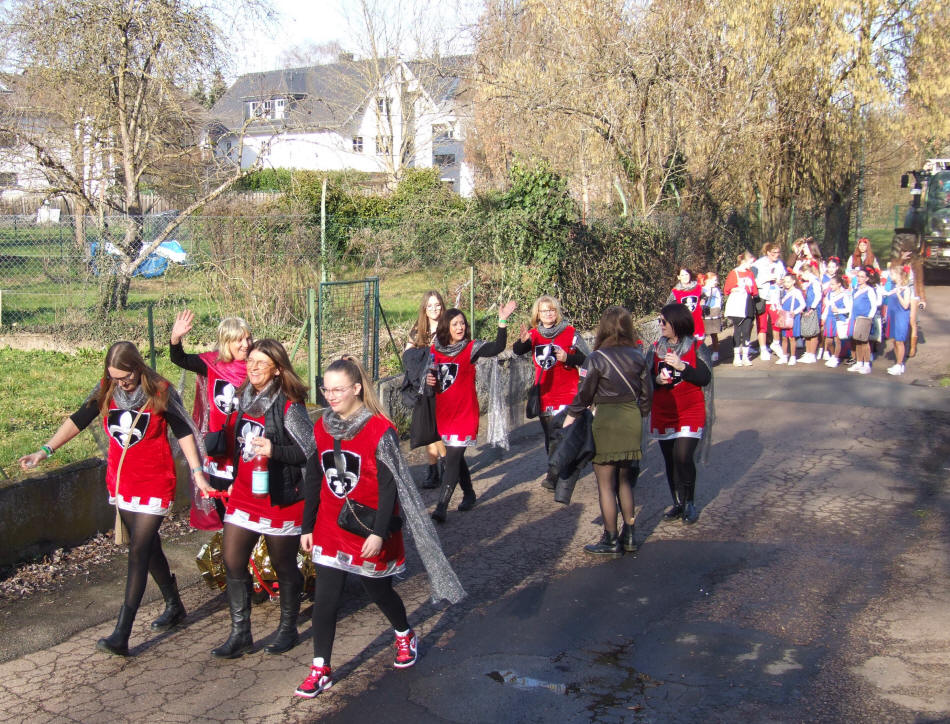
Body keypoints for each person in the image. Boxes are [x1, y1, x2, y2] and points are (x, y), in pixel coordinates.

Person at [19, 341, 208, 656]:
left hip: (155, 484)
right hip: (123, 484)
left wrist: (198, 471)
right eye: (116, 378)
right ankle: (174, 604)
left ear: (137, 367)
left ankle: (122, 632)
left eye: (126, 377)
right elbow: (80, 418)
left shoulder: (160, 390)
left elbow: (184, 431)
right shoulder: (108, 388)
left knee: (138, 550)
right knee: (148, 549)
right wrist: (45, 451)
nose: (122, 383)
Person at [296, 356, 465, 698]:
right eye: (326, 389)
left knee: (379, 591)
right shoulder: (321, 426)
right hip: (329, 524)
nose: (330, 395)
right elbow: (314, 478)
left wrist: (378, 532)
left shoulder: (379, 429)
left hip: (369, 526)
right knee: (326, 600)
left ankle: (404, 634)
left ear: (357, 388)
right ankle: (320, 668)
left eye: (338, 389)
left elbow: (391, 487)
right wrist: (307, 525)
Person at [212, 339, 316, 658]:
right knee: (232, 560)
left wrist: (274, 450)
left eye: (261, 364)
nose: (252, 368)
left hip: (279, 496)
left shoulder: (289, 406)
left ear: (277, 370)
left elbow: (310, 453)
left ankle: (288, 629)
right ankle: (240, 633)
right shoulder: (245, 397)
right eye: (250, 362)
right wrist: (227, 477)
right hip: (245, 492)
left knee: (283, 565)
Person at [563, 307, 651, 556]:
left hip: (606, 418)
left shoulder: (597, 357)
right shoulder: (638, 355)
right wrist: (638, 414)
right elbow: (647, 396)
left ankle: (611, 538)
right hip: (631, 417)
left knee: (605, 483)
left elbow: (585, 394)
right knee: (625, 481)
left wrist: (571, 416)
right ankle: (631, 535)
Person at [428, 302, 517, 523]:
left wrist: (502, 321)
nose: (460, 327)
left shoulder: (471, 348)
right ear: (446, 327)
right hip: (444, 414)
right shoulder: (435, 349)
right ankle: (469, 493)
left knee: (452, 458)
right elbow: (428, 375)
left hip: (465, 414)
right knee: (454, 457)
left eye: (462, 323)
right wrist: (428, 379)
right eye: (455, 323)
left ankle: (441, 507)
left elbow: (497, 346)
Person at [169, 310, 251, 524]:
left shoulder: (259, 366)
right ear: (226, 342)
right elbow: (180, 359)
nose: (246, 344)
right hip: (221, 452)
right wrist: (175, 339)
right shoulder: (212, 364)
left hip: (249, 449)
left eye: (248, 338)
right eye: (239, 340)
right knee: (226, 512)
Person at [512, 295, 588, 489]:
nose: (548, 314)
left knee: (564, 433)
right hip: (545, 393)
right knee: (550, 436)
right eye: (544, 311)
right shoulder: (534, 334)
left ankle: (554, 474)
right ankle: (557, 467)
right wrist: (522, 341)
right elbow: (518, 350)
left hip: (566, 392)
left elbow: (586, 358)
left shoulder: (570, 332)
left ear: (557, 312)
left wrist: (568, 358)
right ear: (538, 314)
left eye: (552, 310)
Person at [649, 303, 712, 525]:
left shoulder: (696, 347)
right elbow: (648, 379)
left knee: (683, 456)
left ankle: (690, 503)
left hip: (690, 409)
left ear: (676, 322)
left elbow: (704, 377)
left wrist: (682, 366)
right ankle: (677, 502)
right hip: (665, 411)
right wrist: (656, 381)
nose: (661, 325)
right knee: (670, 460)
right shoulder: (655, 348)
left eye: (664, 321)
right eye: (660, 321)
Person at [404, 291, 447, 489]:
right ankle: (434, 469)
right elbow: (407, 354)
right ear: (424, 308)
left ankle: (446, 463)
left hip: (442, 384)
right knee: (428, 427)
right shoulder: (418, 329)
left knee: (438, 426)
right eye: (430, 305)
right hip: (422, 386)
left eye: (437, 304)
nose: (434, 309)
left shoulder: (448, 326)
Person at [723, 251, 759, 367]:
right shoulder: (734, 273)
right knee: (737, 330)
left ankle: (746, 355)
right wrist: (737, 289)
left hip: (748, 303)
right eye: (750, 262)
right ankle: (737, 356)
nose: (751, 265)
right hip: (738, 305)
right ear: (744, 261)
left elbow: (754, 290)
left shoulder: (750, 274)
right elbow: (727, 290)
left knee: (747, 330)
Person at [753, 243, 786, 360]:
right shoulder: (758, 264)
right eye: (774, 253)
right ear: (768, 253)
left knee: (776, 322)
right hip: (762, 297)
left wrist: (781, 284)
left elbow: (783, 279)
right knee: (762, 324)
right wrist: (767, 279)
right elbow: (753, 281)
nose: (777, 255)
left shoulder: (780, 264)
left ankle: (776, 344)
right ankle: (763, 348)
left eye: (778, 253)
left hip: (775, 298)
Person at [848, 267, 879, 375]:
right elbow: (852, 304)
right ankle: (859, 362)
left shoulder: (869, 290)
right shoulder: (856, 289)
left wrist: (869, 318)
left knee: (864, 341)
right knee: (856, 340)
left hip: (864, 318)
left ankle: (866, 364)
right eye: (858, 276)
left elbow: (874, 305)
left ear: (866, 279)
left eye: (862, 277)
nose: (860, 279)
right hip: (854, 317)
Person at [884, 266, 912, 375]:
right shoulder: (894, 286)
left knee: (900, 341)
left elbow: (905, 305)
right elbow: (887, 295)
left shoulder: (906, 289)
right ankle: (897, 363)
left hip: (901, 316)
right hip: (893, 315)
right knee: (894, 341)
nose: (891, 277)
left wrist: (898, 294)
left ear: (899, 275)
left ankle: (900, 364)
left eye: (892, 274)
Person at [822, 274, 852, 367]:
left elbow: (849, 309)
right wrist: (824, 317)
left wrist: (839, 310)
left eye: (833, 284)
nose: (831, 286)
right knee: (829, 340)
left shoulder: (845, 294)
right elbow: (827, 306)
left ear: (839, 284)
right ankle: (833, 355)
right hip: (830, 318)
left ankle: (835, 358)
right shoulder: (830, 294)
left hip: (839, 318)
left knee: (837, 340)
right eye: (830, 284)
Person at [667, 268, 705, 341]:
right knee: (688, 348)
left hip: (698, 322)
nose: (685, 277)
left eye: (686, 274)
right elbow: (669, 307)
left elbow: (704, 296)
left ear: (690, 275)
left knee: (700, 347)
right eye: (682, 275)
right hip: (685, 324)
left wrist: (703, 302)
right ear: (679, 277)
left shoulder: (698, 287)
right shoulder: (675, 291)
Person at [798, 263, 823, 363]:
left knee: (813, 332)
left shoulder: (815, 282)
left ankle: (812, 354)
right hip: (808, 308)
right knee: (807, 332)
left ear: (807, 272)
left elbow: (818, 296)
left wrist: (812, 308)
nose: (801, 277)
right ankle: (808, 353)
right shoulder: (810, 282)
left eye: (802, 275)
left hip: (813, 309)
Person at [700, 273, 722, 362]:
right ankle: (701, 351)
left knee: (714, 333)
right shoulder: (701, 289)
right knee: (702, 334)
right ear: (707, 280)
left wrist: (717, 309)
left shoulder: (716, 290)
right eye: (714, 280)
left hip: (713, 312)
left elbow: (719, 300)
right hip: (704, 313)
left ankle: (715, 352)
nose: (716, 282)